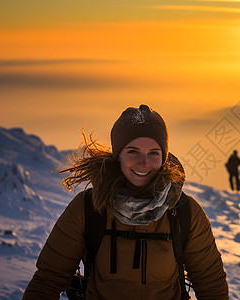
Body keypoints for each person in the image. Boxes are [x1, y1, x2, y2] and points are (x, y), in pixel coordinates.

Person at [23, 105, 229, 300]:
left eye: (154, 153)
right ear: (118, 155)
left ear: (164, 158)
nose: (144, 162)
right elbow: (49, 280)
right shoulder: (89, 208)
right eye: (133, 151)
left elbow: (210, 283)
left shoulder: (183, 211)